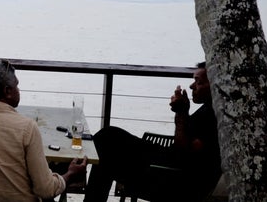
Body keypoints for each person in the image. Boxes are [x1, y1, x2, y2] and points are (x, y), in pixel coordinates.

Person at [83, 62, 221, 202]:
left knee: (107, 154)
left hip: (171, 177)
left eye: (198, 82)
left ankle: (76, 179)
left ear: (215, 84)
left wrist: (181, 113)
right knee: (108, 136)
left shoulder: (213, 116)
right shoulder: (211, 108)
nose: (192, 86)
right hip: (166, 161)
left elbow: (184, 155)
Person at [0, 59, 87, 202]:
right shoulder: (27, 127)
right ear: (7, 91)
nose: (18, 90)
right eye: (17, 86)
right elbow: (45, 190)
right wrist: (69, 174)